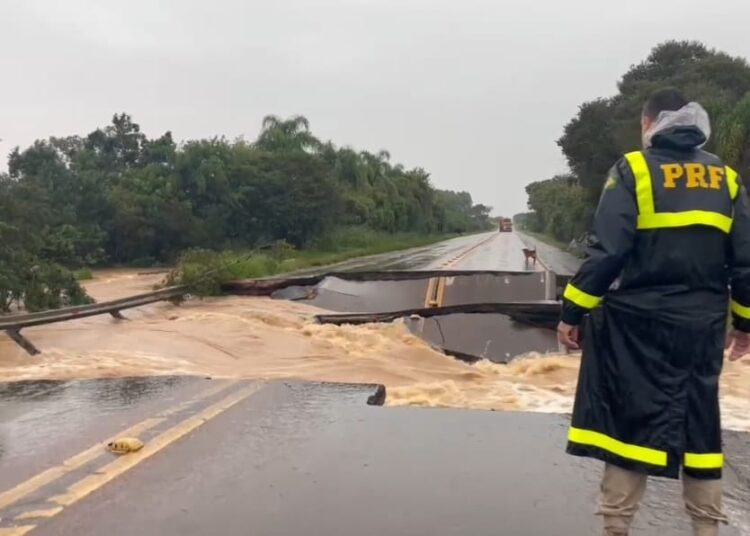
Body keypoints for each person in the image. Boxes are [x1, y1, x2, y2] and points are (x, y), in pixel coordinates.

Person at [557, 87, 750, 536]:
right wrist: (744, 324)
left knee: (627, 421)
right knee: (700, 422)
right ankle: (707, 529)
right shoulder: (726, 177)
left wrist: (572, 312)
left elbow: (608, 253)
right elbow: (744, 261)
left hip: (637, 327)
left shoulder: (633, 169)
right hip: (701, 327)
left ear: (649, 124)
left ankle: (617, 528)